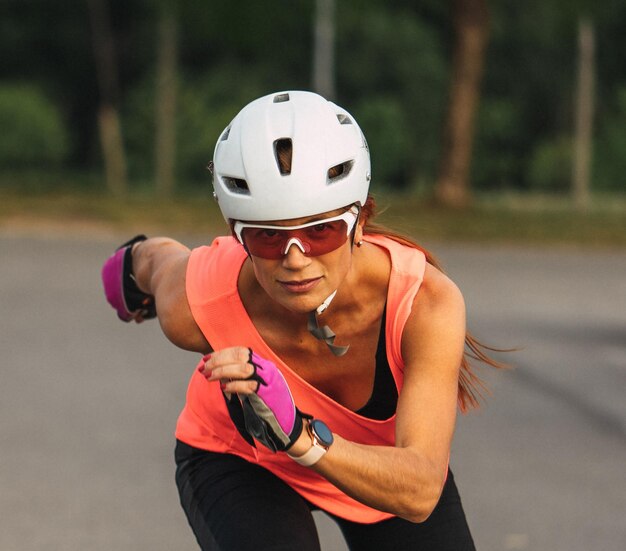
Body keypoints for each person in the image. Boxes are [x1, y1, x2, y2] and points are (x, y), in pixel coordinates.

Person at [102, 90, 504, 551]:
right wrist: (128, 268)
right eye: (268, 237)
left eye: (321, 230)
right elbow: (159, 261)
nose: (295, 259)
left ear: (360, 221)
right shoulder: (195, 306)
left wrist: (300, 435)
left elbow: (419, 491)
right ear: (238, 235)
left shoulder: (425, 304)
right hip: (243, 463)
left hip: (377, 470)